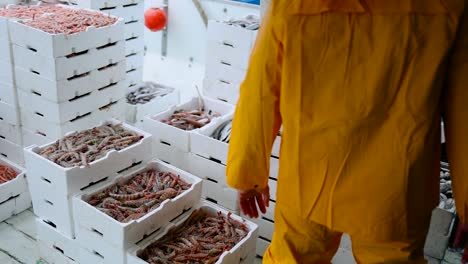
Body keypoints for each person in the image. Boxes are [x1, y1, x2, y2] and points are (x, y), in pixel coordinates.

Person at [226, 0, 468, 263]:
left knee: (293, 258)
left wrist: (248, 175)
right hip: (396, 190)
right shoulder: (450, 5)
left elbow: (260, 90)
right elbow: (463, 110)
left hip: (309, 181)